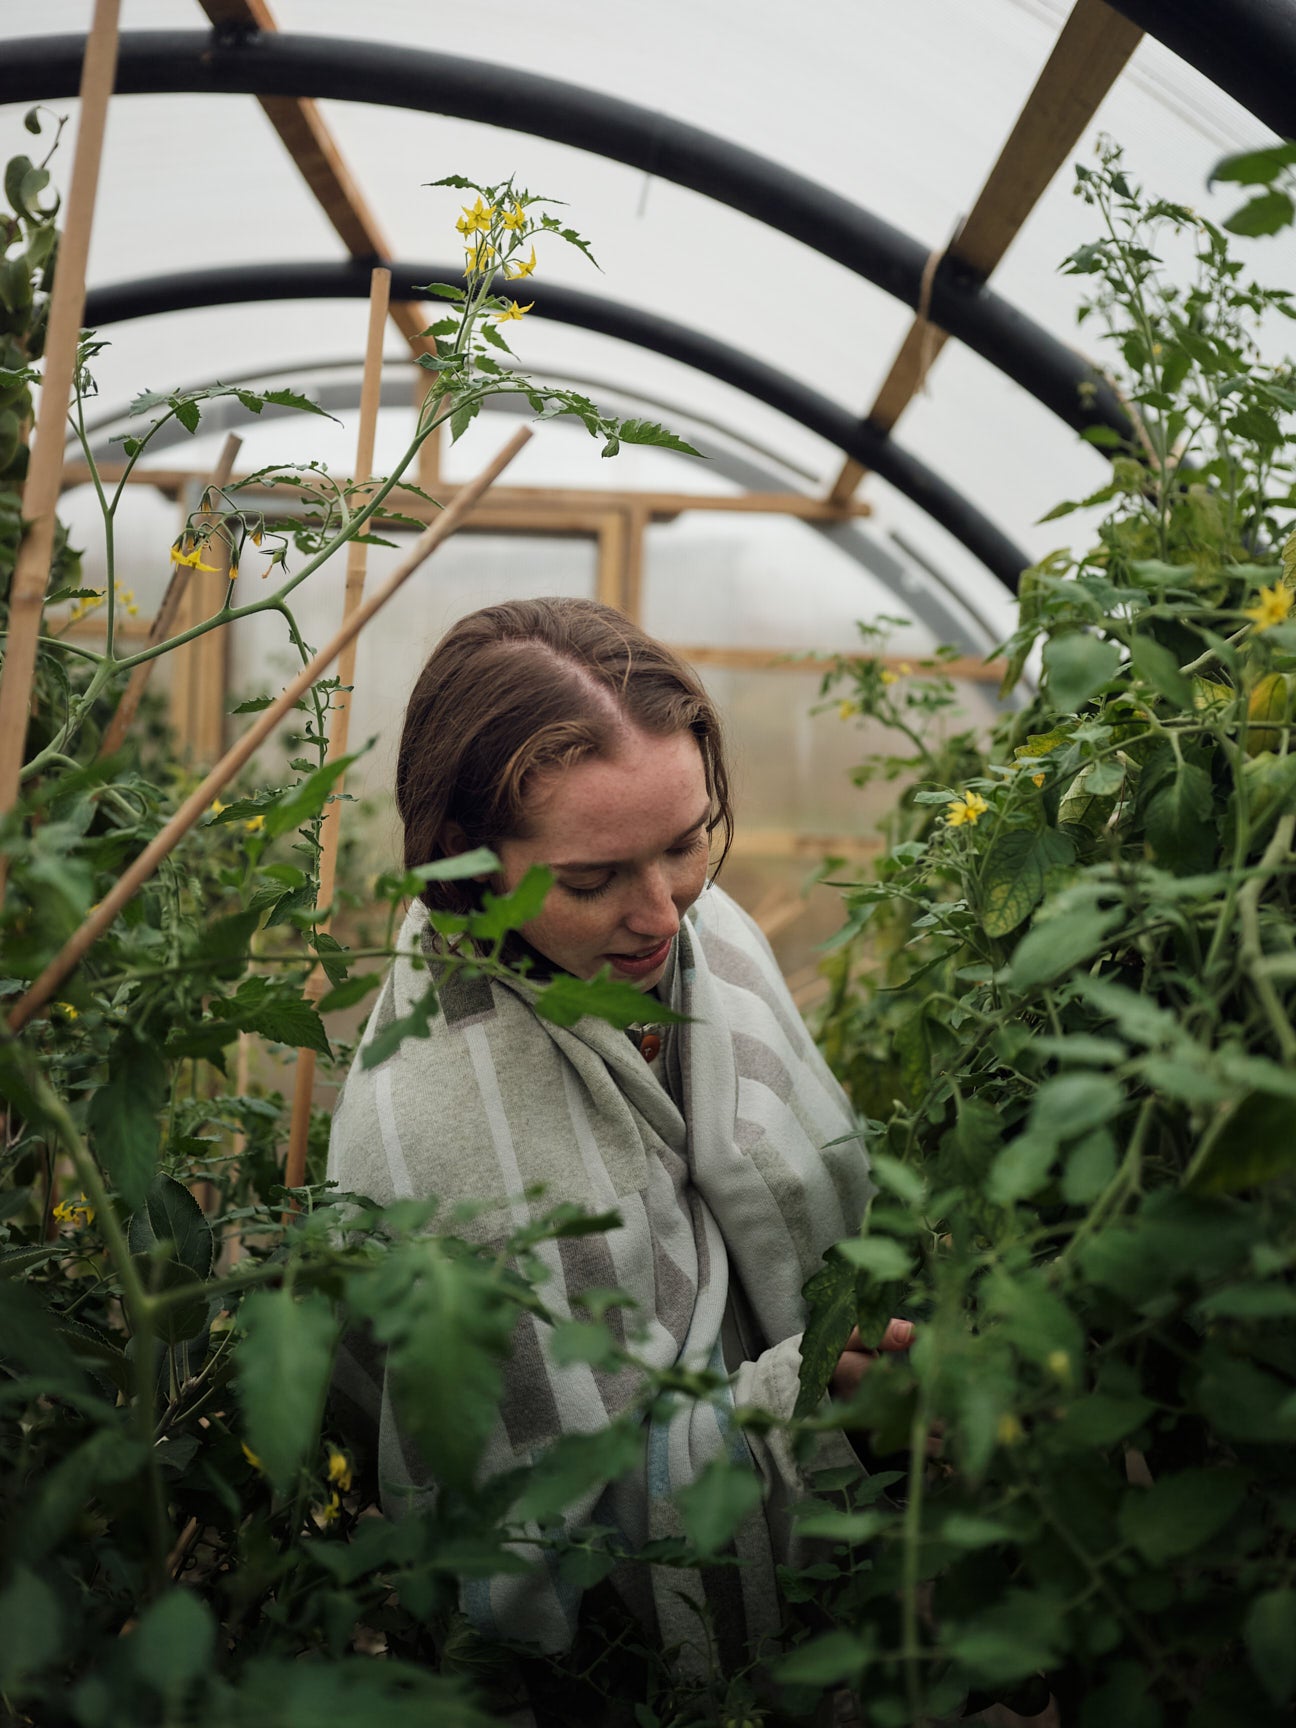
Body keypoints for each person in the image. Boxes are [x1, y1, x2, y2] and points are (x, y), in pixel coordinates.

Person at [326, 596, 895, 1682]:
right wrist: (801, 1409)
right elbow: (534, 1547)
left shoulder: (683, 933)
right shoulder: (445, 1134)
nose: (663, 913)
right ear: (461, 863)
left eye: (686, 845)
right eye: (591, 879)